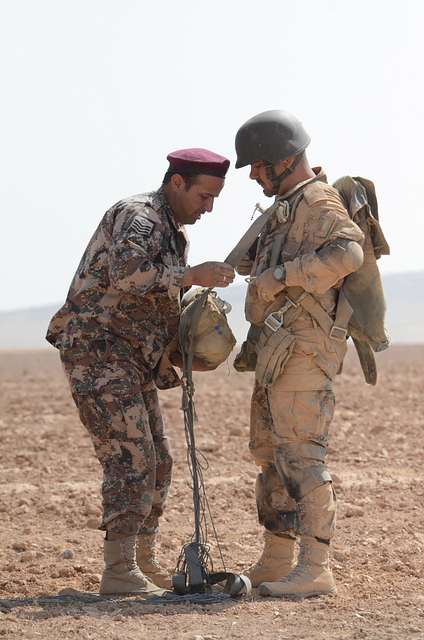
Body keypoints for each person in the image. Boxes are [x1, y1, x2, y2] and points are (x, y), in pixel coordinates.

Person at [46, 148, 235, 596]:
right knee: (131, 459)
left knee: (159, 461)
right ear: (177, 183)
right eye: (204, 196)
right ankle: (119, 570)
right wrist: (192, 276)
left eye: (214, 200)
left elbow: (154, 303)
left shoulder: (173, 233)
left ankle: (141, 562)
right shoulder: (140, 216)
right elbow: (127, 275)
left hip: (131, 359)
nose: (208, 208)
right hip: (98, 352)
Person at [234, 110, 364, 598]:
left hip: (305, 353)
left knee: (303, 457)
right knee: (272, 457)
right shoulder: (285, 208)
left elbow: (348, 252)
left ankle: (315, 567)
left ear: (284, 159)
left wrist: (282, 276)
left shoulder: (318, 201)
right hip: (276, 351)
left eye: (258, 165)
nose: (252, 175)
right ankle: (277, 558)